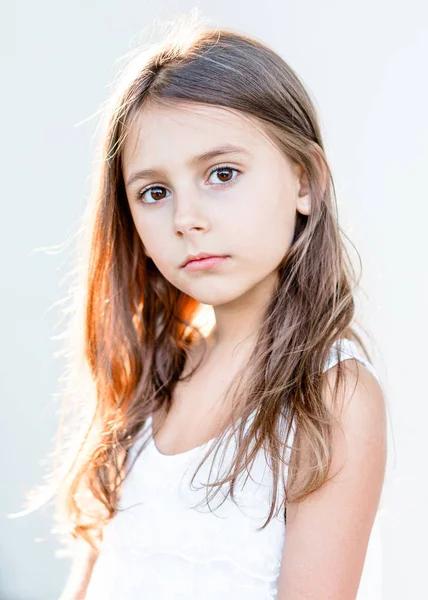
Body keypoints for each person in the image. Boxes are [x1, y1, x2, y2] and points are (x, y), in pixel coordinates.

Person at [44, 14, 387, 600]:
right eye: (155, 192)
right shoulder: (150, 376)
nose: (186, 219)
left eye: (221, 174)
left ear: (305, 181)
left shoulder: (329, 395)